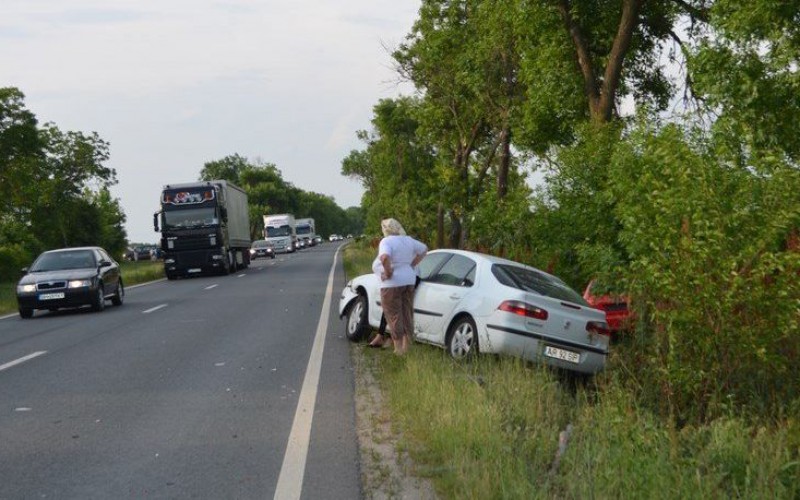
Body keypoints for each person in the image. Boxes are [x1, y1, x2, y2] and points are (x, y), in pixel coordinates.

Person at [369, 218, 427, 355]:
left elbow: (384, 258)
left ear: (385, 229)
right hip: (409, 280)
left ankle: (398, 349)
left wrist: (388, 272)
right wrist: (411, 264)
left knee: (393, 314)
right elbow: (424, 249)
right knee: (406, 312)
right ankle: (407, 347)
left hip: (392, 283)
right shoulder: (408, 240)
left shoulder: (386, 241)